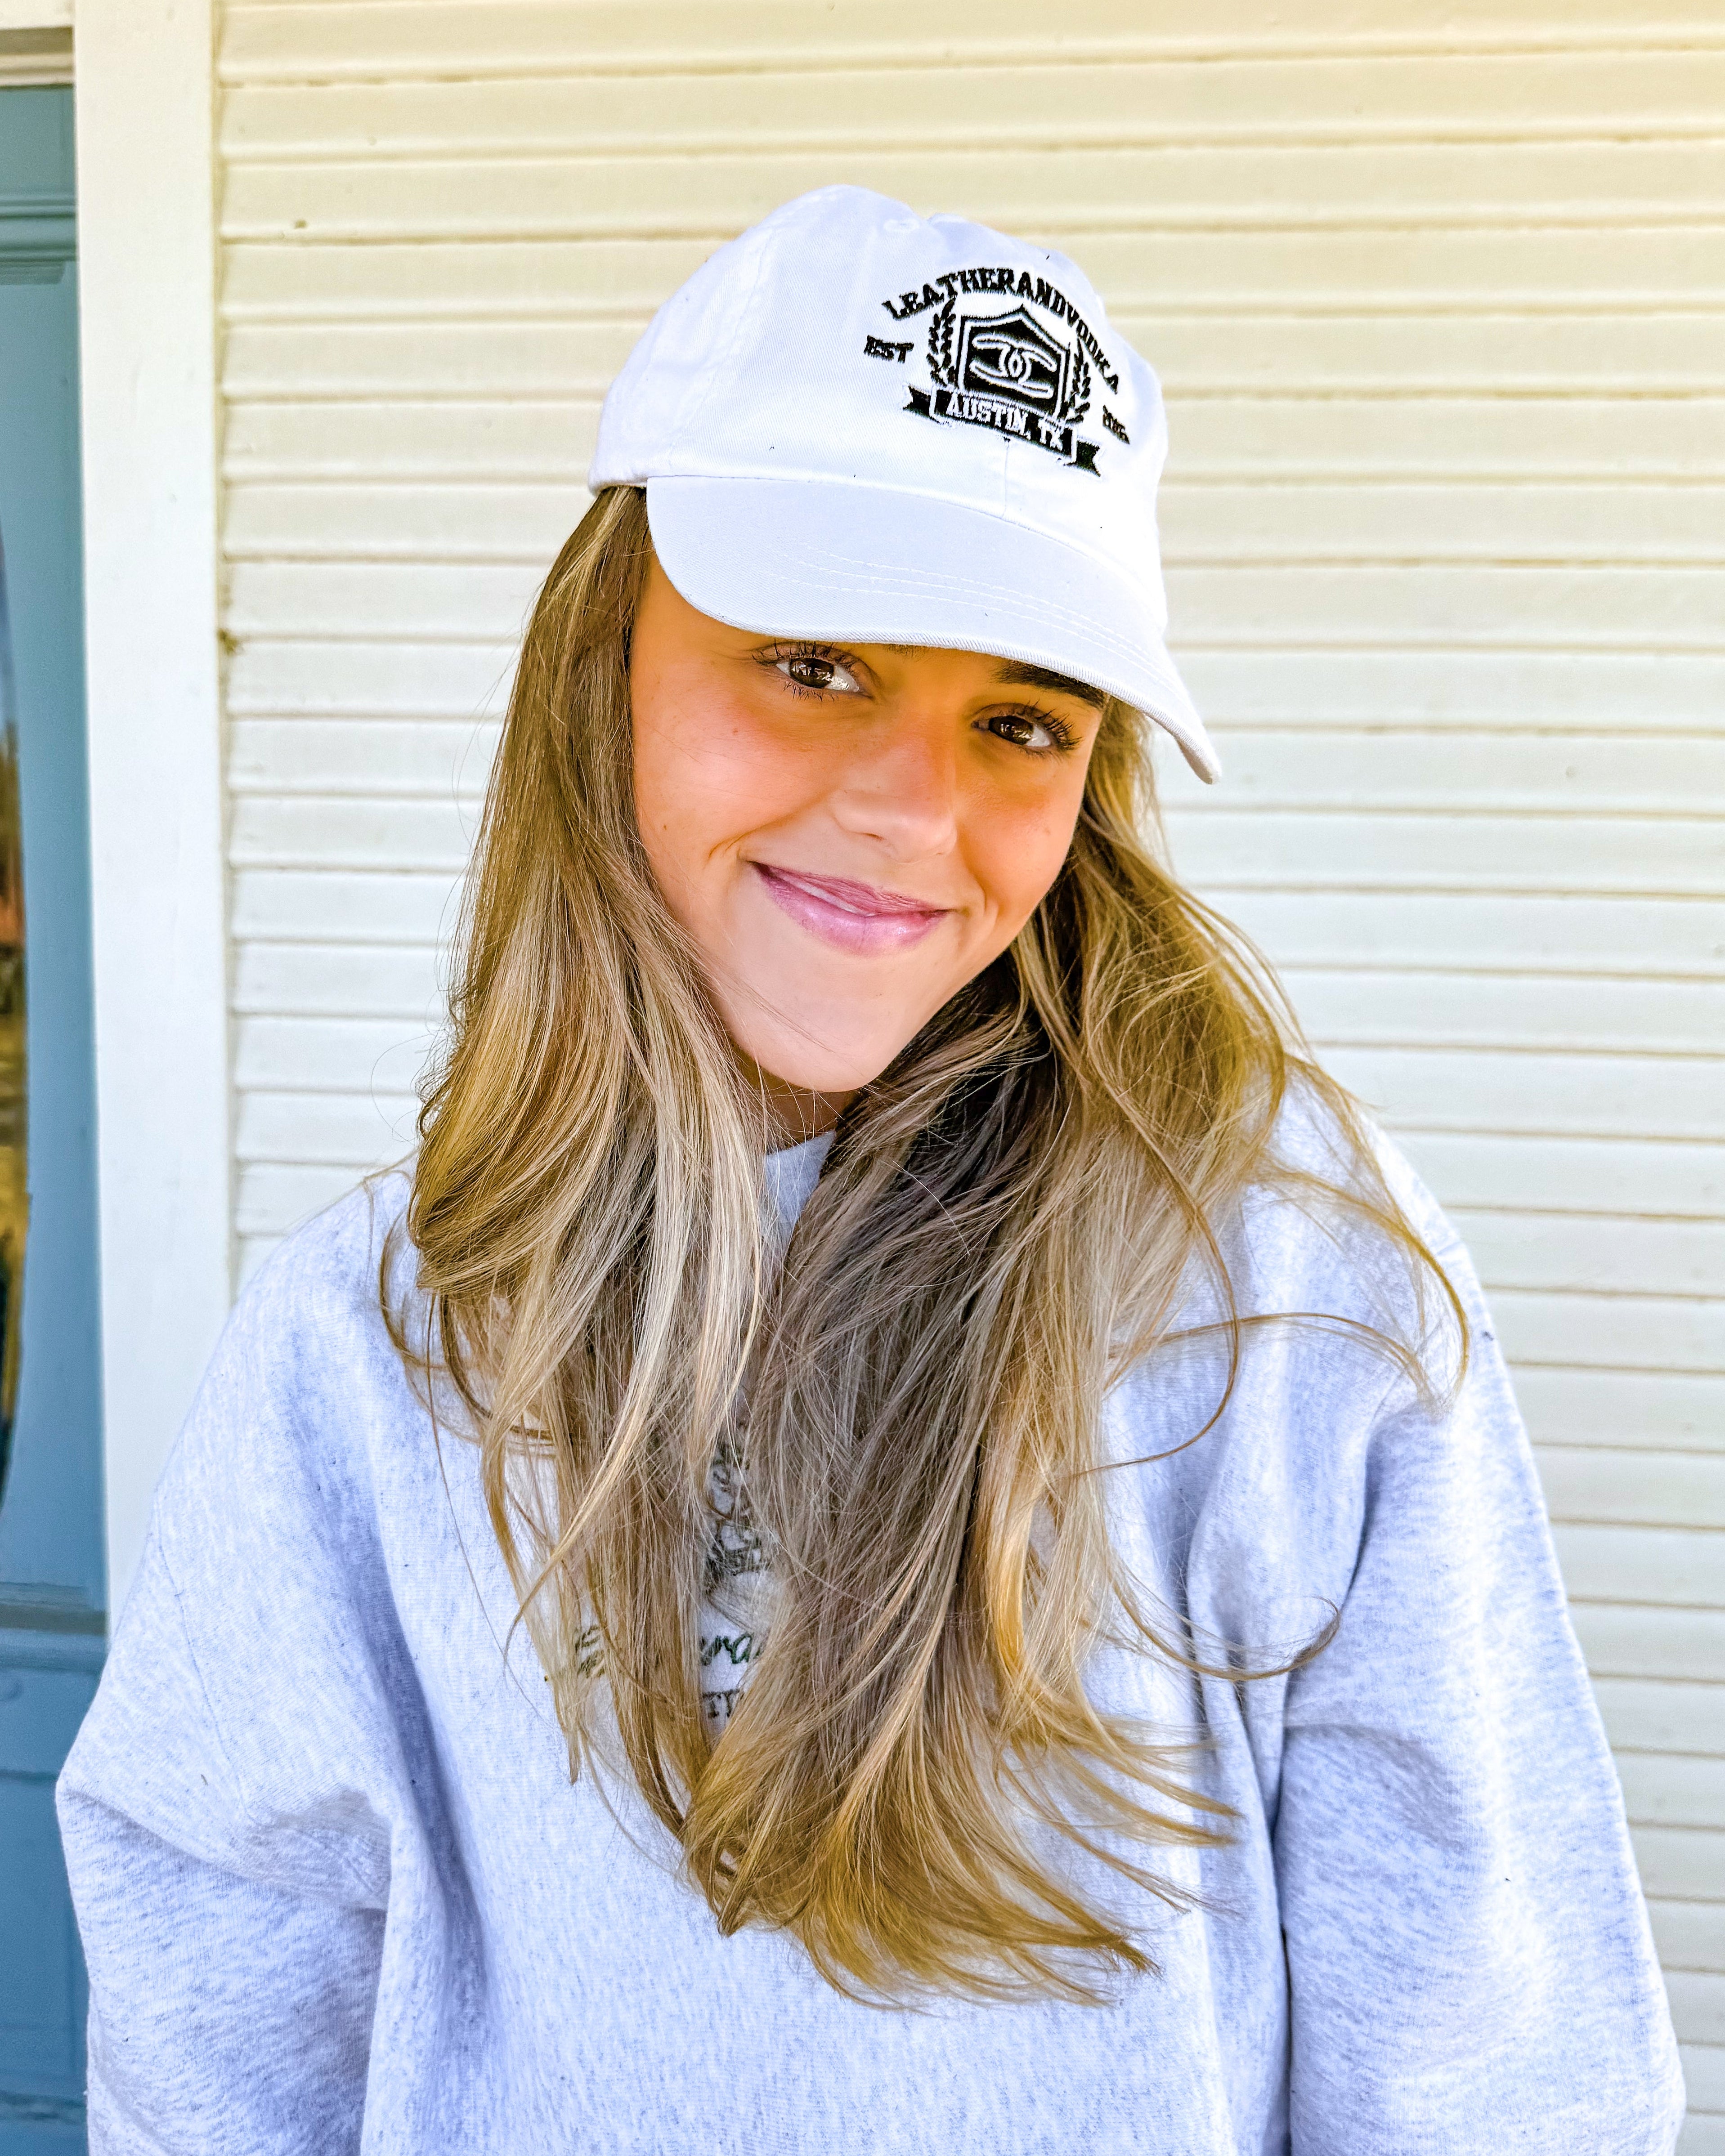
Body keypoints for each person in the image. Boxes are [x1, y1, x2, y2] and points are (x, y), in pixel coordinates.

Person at [58, 186, 1683, 2155]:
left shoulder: (1277, 1288)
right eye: (813, 658)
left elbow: (1488, 2056)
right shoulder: (369, 1347)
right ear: (607, 656)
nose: (917, 814)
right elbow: (217, 2032)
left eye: (1018, 718)